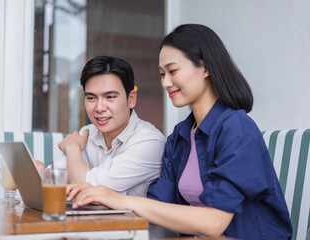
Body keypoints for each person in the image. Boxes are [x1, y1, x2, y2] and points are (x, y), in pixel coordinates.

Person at [66, 24, 293, 239]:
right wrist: (103, 200)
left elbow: (214, 222)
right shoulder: (181, 136)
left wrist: (117, 199)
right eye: (162, 74)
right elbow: (159, 205)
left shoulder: (236, 129)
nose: (165, 82)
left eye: (172, 71)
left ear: (205, 68)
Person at [37, 56, 165, 197]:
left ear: (131, 99)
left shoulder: (150, 143)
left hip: (133, 220)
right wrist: (41, 173)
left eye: (110, 97)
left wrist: (72, 148)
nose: (99, 108)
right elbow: (52, 180)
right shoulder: (88, 133)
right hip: (91, 218)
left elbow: (90, 189)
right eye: (91, 98)